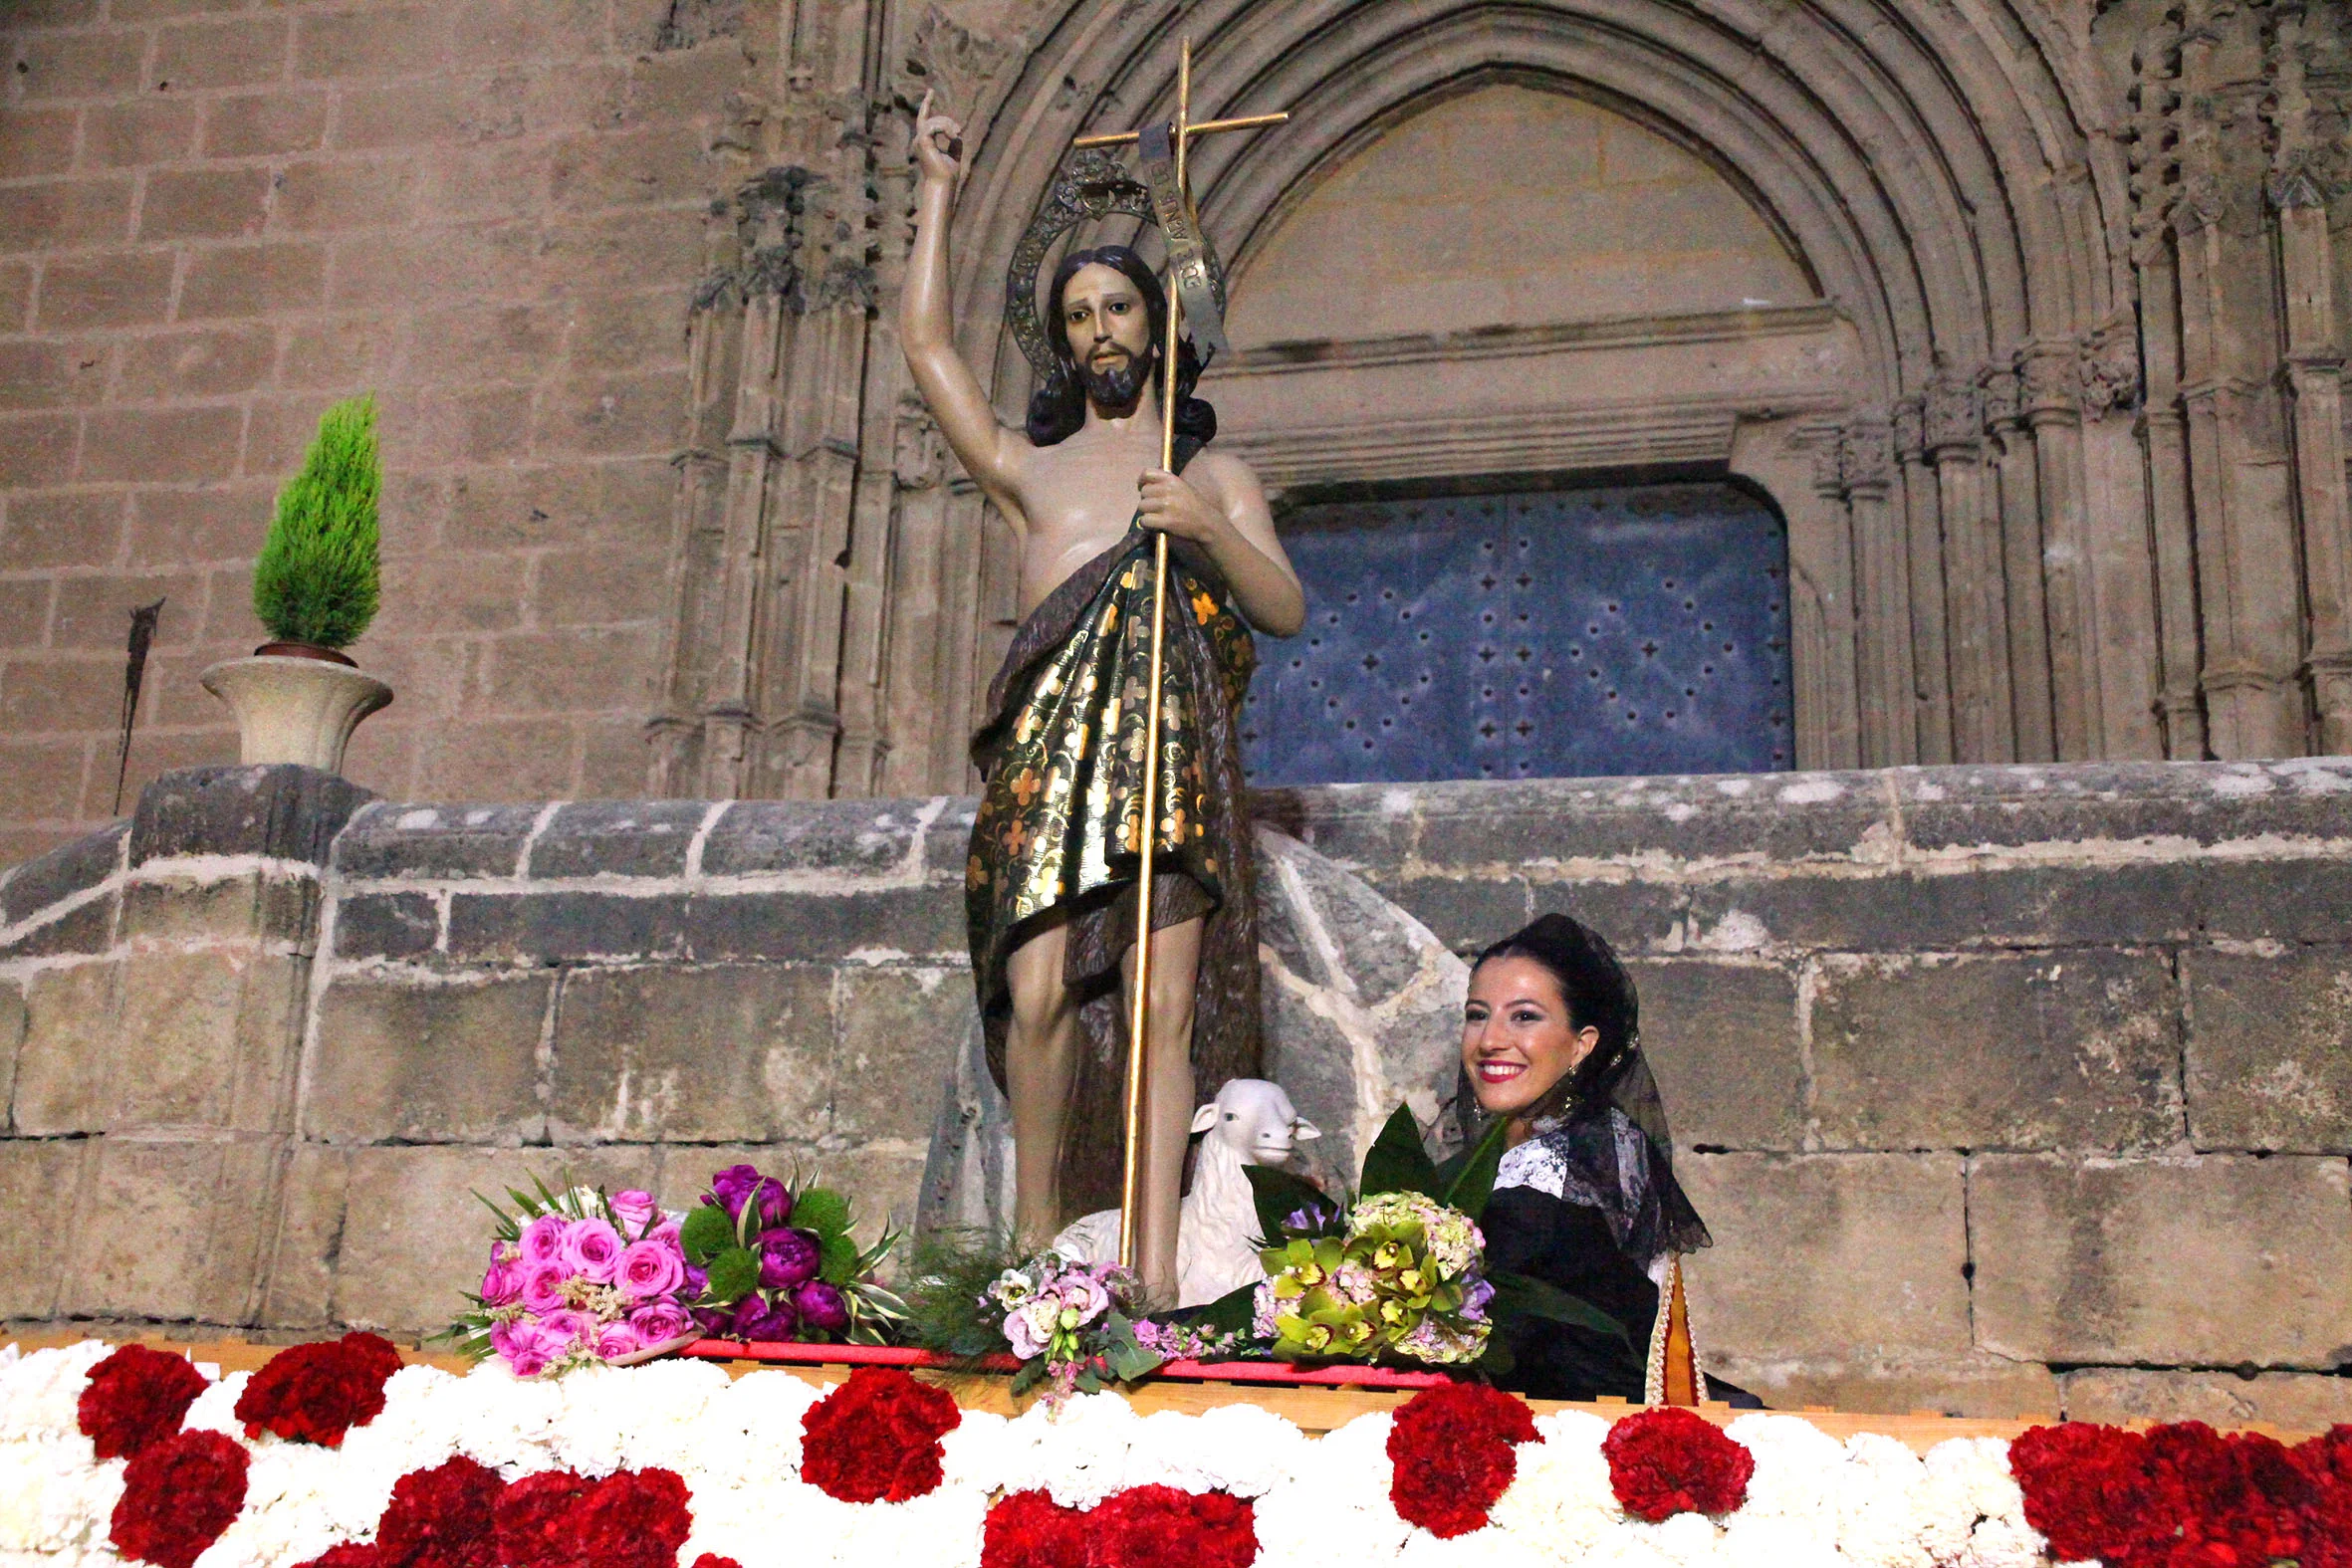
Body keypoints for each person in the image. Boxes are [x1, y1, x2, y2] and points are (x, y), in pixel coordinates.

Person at [899, 96, 1306, 1304]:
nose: (1098, 331)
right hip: (1049, 756)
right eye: (1075, 317)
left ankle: (1154, 1272)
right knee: (1035, 1001)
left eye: (1117, 306)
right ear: (1061, 342)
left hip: (1167, 757)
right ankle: (1035, 1263)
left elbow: (1281, 607)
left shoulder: (1209, 470)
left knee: (1158, 1006)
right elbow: (927, 351)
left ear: (1158, 319)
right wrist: (935, 192)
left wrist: (1201, 531)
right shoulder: (1032, 471)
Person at [1460, 913, 1755, 1404]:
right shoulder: (1521, 1152)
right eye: (1476, 1014)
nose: (1490, 1039)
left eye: (1525, 1016)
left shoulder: (1575, 1165)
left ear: (1582, 1045)